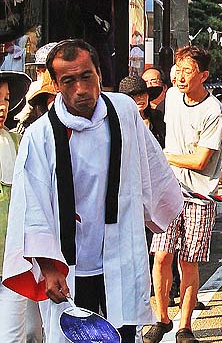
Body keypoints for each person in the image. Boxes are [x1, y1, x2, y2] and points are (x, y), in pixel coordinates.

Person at [2, 40, 182, 343]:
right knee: (71, 336)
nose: (80, 89)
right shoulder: (40, 136)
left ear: (99, 73)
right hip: (68, 262)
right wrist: (48, 266)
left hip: (119, 247)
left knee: (124, 331)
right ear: (57, 85)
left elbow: (150, 162)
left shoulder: (124, 111)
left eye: (86, 76)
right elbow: (31, 204)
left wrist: (164, 212)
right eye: (68, 81)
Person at [147, 45, 222, 343]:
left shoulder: (213, 111)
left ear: (203, 75)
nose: (179, 77)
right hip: (169, 191)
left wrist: (161, 155)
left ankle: (185, 325)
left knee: (187, 261)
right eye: (177, 70)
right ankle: (162, 318)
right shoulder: (170, 97)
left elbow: (199, 161)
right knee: (161, 255)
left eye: (187, 71)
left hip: (199, 195)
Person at [0, 70, 40, 342]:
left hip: (14, 259)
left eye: (5, 98)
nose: (2, 105)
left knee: (20, 333)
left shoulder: (16, 142)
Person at [119, 75, 166, 147]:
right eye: (134, 95)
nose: (140, 97)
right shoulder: (120, 122)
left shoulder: (157, 117)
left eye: (143, 93)